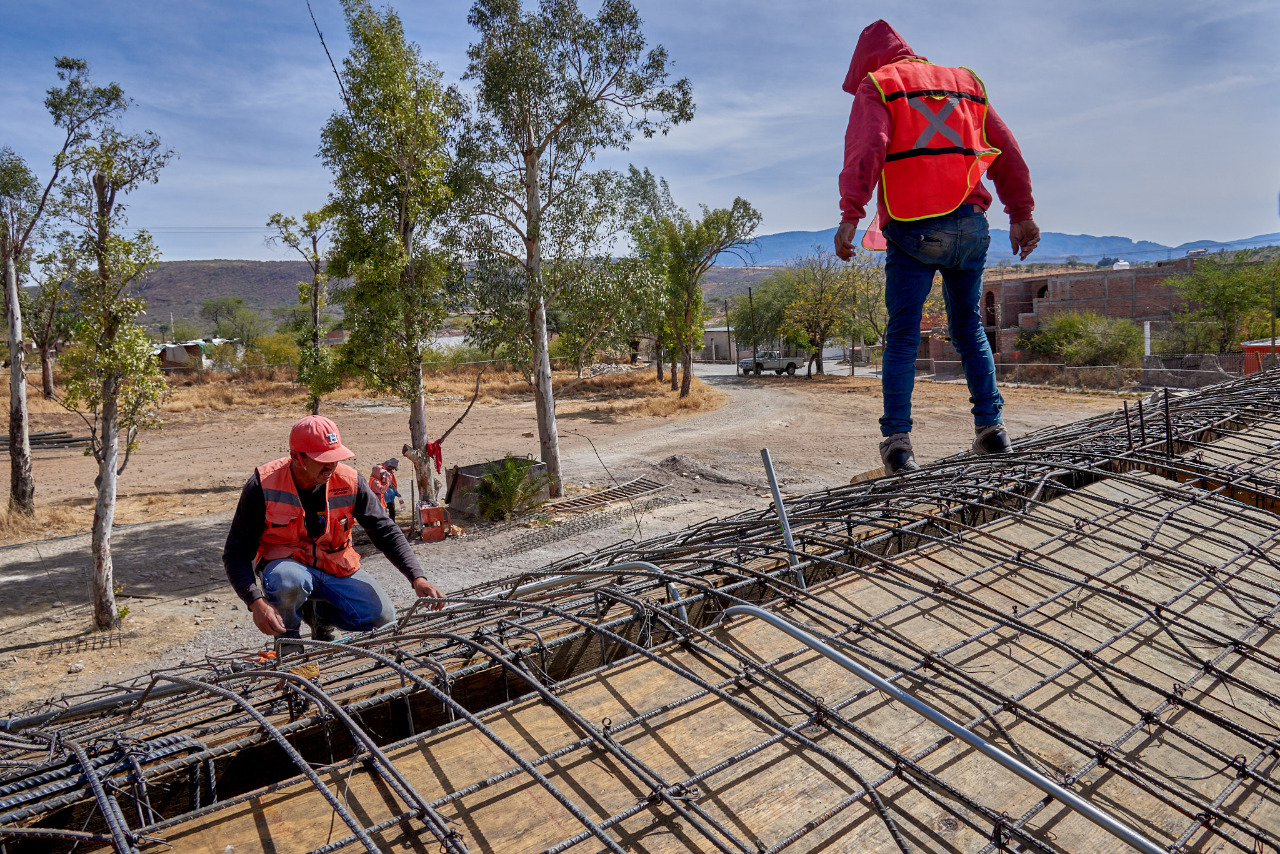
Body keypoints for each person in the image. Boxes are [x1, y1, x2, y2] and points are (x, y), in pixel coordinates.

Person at [834, 20, 1040, 474]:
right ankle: (992, 431)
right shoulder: (965, 84)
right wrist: (1021, 214)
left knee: (904, 335)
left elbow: (867, 149)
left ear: (867, 63)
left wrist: (850, 215)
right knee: (968, 327)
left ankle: (899, 447)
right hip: (972, 226)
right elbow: (1006, 150)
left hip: (913, 228)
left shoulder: (881, 85)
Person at [222, 415, 446, 652]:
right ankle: (289, 643)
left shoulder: (350, 481)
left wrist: (417, 577)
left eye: (336, 458)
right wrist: (255, 601)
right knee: (287, 582)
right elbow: (235, 553)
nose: (331, 466)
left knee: (383, 619)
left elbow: (386, 532)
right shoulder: (263, 485)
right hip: (289, 569)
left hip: (335, 567)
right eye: (323, 460)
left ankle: (319, 614)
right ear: (297, 456)